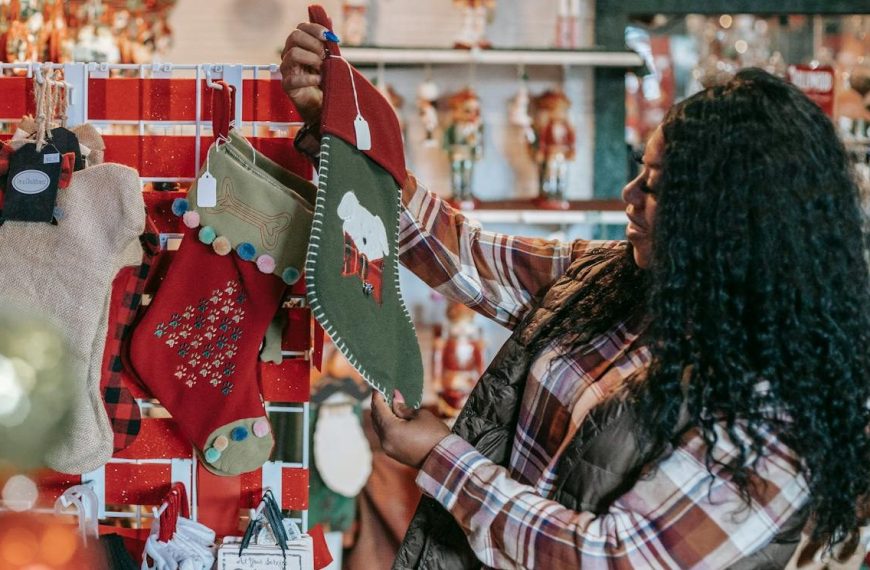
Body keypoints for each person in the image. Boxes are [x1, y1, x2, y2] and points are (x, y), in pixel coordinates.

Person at [281, 22, 870, 569]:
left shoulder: (770, 426)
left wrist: (441, 459)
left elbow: (607, 558)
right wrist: (342, 127)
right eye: (641, 170)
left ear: (734, 219)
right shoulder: (620, 281)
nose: (629, 194)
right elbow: (466, 255)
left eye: (658, 188)